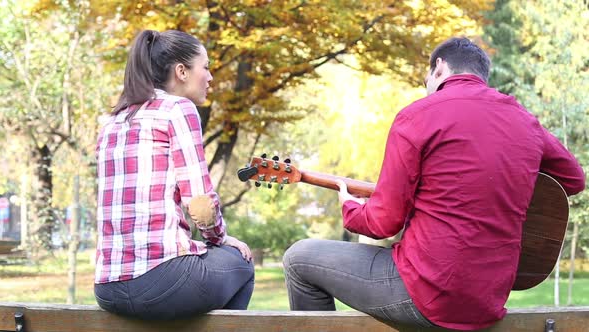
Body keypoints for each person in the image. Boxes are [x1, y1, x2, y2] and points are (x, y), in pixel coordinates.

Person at [282, 37, 585, 330]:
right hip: (488, 301)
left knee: (298, 258)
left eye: (425, 78)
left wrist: (350, 208)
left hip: (428, 295)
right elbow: (574, 179)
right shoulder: (524, 120)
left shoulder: (417, 115)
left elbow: (381, 224)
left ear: (438, 68)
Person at [94, 30, 254, 320]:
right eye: (205, 67)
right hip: (159, 280)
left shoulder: (112, 122)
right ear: (181, 71)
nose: (210, 77)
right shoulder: (178, 109)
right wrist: (220, 238)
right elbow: (201, 204)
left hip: (107, 286)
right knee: (241, 263)